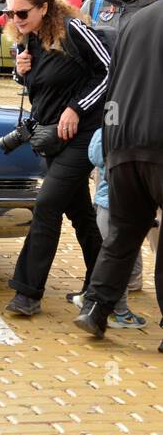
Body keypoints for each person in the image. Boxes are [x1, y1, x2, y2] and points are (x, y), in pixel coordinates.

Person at [3, 0, 111, 317]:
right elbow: (41, 87)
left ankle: (27, 292)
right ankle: (103, 283)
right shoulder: (27, 39)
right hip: (50, 137)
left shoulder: (73, 30)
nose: (16, 20)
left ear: (44, 7)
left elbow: (109, 70)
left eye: (23, 13)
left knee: (47, 205)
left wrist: (76, 108)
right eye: (11, 13)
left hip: (81, 135)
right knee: (80, 213)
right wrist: (21, 73)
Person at [75, 0, 163, 342]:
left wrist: (111, 140)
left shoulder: (135, 21)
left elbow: (112, 85)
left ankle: (96, 308)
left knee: (122, 233)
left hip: (123, 143)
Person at [82, 128, 150, 328]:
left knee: (119, 256)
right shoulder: (134, 134)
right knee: (118, 261)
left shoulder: (104, 132)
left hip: (109, 205)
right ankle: (118, 312)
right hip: (118, 207)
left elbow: (94, 156)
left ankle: (93, 298)